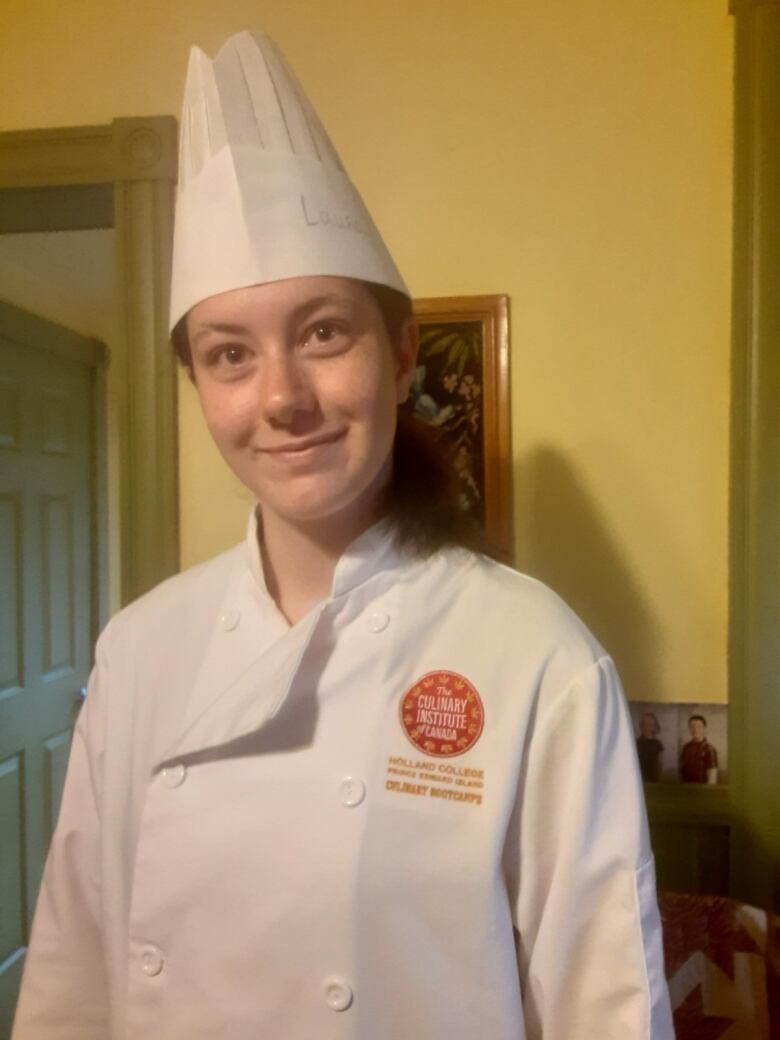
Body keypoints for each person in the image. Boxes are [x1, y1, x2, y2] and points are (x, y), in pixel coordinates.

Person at [12, 31, 673, 1040]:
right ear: (198, 387)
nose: (282, 397)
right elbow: (70, 971)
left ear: (401, 352)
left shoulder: (538, 657)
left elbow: (606, 1008)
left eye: (323, 331)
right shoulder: (140, 648)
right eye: (230, 354)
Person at [679, 713, 719, 784]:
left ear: (704, 729)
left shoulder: (710, 750)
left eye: (699, 727)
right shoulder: (686, 748)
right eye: (692, 726)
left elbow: (712, 780)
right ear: (689, 729)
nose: (695, 730)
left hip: (702, 791)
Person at [636, 710, 664, 782]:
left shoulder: (657, 744)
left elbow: (660, 764)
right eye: (644, 724)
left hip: (653, 777)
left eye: (650, 724)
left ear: (654, 727)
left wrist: (659, 779)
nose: (647, 727)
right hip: (639, 777)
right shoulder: (636, 743)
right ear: (641, 726)